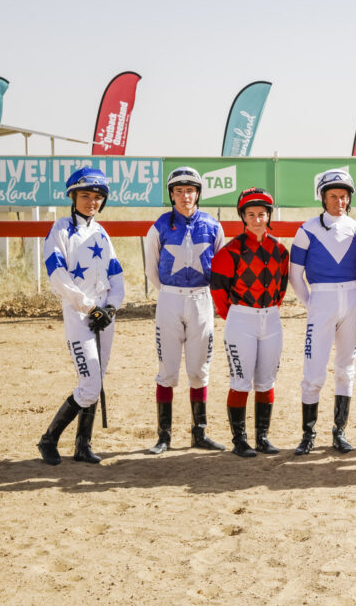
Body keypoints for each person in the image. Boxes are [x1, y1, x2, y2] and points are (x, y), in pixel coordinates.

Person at [37, 167, 124, 465]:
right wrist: (89, 307)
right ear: (73, 196)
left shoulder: (101, 233)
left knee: (96, 380)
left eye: (97, 197)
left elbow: (117, 276)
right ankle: (48, 439)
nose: (92, 202)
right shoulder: (60, 230)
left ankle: (82, 446)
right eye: (85, 195)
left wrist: (111, 306)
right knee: (89, 384)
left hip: (104, 315)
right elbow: (58, 276)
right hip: (79, 314)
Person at [143, 166, 227, 454]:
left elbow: (221, 268)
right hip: (169, 299)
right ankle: (163, 436)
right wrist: (170, 293)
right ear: (171, 195)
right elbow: (150, 270)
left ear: (198, 193)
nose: (184, 196)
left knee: (198, 369)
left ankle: (199, 433)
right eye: (178, 191)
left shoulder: (213, 225)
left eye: (189, 190)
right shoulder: (159, 226)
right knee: (167, 369)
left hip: (202, 300)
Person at [209, 187, 289, 457]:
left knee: (266, 381)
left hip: (271, 319)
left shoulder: (280, 250)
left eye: (262, 214)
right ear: (242, 216)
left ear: (269, 216)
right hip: (241, 319)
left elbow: (281, 287)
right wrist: (234, 314)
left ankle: (263, 438)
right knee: (240, 380)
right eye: (251, 214)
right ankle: (239, 440)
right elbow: (219, 292)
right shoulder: (229, 251)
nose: (257, 219)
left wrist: (268, 310)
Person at [289, 169, 356, 456]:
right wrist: (312, 303)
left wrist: (355, 296)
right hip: (320, 299)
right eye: (333, 196)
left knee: (346, 368)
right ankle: (308, 434)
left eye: (344, 196)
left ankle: (339, 432)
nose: (339, 201)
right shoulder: (307, 229)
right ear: (322, 197)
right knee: (314, 371)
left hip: (351, 301)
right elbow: (295, 276)